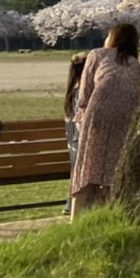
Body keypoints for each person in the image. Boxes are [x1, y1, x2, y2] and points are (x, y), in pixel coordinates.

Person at [70, 22, 140, 216]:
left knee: (87, 165)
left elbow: (85, 93)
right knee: (113, 166)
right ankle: (108, 212)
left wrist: (81, 118)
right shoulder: (134, 63)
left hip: (99, 114)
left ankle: (76, 216)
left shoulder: (97, 54)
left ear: (113, 38)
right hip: (126, 116)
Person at [61, 51, 89, 214]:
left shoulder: (71, 95)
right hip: (83, 144)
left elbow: (70, 130)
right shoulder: (85, 94)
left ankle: (69, 204)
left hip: (74, 146)